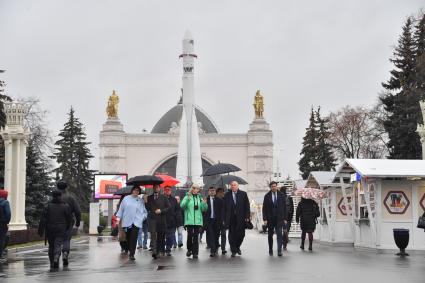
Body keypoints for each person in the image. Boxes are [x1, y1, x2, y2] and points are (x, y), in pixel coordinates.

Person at [38, 190, 72, 269]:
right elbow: (69, 219)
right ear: (60, 196)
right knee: (58, 243)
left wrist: (40, 230)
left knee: (51, 245)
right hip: (61, 228)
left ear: (52, 196)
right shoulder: (65, 206)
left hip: (50, 228)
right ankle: (56, 256)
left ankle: (52, 261)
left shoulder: (48, 206)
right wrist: (67, 227)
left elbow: (43, 219)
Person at [116, 186, 147, 261]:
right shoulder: (126, 199)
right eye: (135, 190)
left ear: (139, 192)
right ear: (132, 191)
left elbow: (144, 211)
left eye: (137, 190)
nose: (136, 191)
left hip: (136, 222)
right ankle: (129, 249)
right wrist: (118, 218)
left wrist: (143, 218)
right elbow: (121, 209)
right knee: (128, 237)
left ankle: (132, 254)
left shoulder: (140, 200)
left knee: (134, 237)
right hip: (127, 221)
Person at [56, 180, 81, 267]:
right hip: (68, 222)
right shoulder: (71, 198)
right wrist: (78, 222)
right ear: (66, 187)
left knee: (57, 240)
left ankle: (56, 256)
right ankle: (65, 254)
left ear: (57, 187)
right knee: (66, 239)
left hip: (54, 222)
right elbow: (77, 211)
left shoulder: (53, 198)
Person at [180, 184, 208, 259]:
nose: (196, 190)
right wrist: (187, 199)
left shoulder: (200, 198)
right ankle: (189, 250)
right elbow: (182, 206)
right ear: (192, 189)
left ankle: (195, 252)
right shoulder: (187, 196)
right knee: (190, 236)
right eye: (195, 188)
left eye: (197, 189)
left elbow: (204, 209)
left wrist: (204, 203)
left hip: (198, 221)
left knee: (196, 237)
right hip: (189, 220)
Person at [224, 181, 250, 257]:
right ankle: (233, 250)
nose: (233, 186)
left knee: (241, 234)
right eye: (231, 185)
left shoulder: (243, 194)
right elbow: (224, 207)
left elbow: (247, 206)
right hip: (230, 218)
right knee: (231, 235)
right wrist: (224, 219)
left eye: (234, 185)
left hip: (241, 218)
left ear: (238, 186)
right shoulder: (227, 195)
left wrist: (247, 216)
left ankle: (237, 246)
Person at [262, 181, 287, 256]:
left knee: (279, 235)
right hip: (270, 219)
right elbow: (264, 208)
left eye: (275, 186)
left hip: (279, 219)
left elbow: (285, 207)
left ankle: (279, 250)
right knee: (270, 235)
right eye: (272, 186)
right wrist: (265, 219)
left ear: (277, 186)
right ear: (270, 187)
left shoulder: (282, 195)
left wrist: (285, 218)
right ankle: (270, 249)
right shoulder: (267, 196)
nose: (274, 187)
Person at [146, 184, 170, 259]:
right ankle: (155, 251)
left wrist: (161, 211)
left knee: (161, 236)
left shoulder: (164, 197)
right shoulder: (149, 197)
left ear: (160, 188)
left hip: (161, 219)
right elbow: (147, 208)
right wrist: (145, 202)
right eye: (154, 187)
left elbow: (169, 207)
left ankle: (161, 250)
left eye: (157, 187)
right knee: (153, 234)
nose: (156, 188)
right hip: (152, 219)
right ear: (153, 188)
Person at [205, 186, 224, 257]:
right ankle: (212, 250)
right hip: (209, 220)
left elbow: (222, 211)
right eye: (210, 190)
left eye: (213, 190)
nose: (212, 192)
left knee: (216, 235)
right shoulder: (206, 200)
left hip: (217, 221)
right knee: (211, 235)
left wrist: (222, 220)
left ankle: (215, 247)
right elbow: (203, 211)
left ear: (215, 192)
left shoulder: (219, 200)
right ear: (208, 192)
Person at [164, 186, 178, 256]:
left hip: (172, 221)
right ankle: (162, 248)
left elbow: (177, 210)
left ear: (171, 191)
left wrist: (175, 217)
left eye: (168, 190)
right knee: (163, 236)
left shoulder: (174, 200)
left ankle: (168, 249)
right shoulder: (161, 198)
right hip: (163, 220)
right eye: (166, 190)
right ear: (164, 191)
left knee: (171, 236)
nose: (167, 191)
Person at [0, 190, 11, 263]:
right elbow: (8, 214)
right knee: (2, 239)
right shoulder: (5, 202)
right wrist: (6, 222)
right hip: (2, 224)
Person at [215, 187, 227, 255]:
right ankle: (216, 246)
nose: (222, 194)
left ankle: (223, 248)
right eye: (221, 192)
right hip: (216, 221)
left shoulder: (225, 200)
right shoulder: (215, 200)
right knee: (216, 235)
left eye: (223, 192)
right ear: (217, 193)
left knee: (223, 234)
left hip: (223, 221)